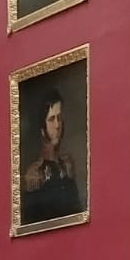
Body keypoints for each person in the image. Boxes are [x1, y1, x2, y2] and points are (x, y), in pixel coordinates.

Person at [21, 87, 83, 225]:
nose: (57, 125)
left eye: (59, 118)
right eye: (51, 119)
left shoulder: (67, 166)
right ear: (42, 128)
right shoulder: (34, 174)